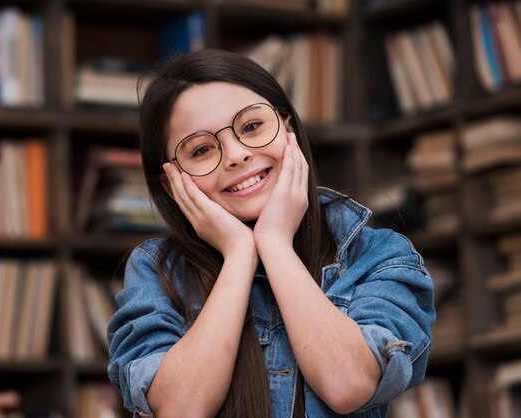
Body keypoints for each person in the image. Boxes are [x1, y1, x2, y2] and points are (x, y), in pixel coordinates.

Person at [107, 48, 435, 418]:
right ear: (173, 184)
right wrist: (238, 254)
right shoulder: (155, 272)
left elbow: (348, 385)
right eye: (200, 150)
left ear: (289, 129)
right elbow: (182, 409)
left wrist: (275, 243)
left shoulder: (377, 255)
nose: (236, 155)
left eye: (251, 127)